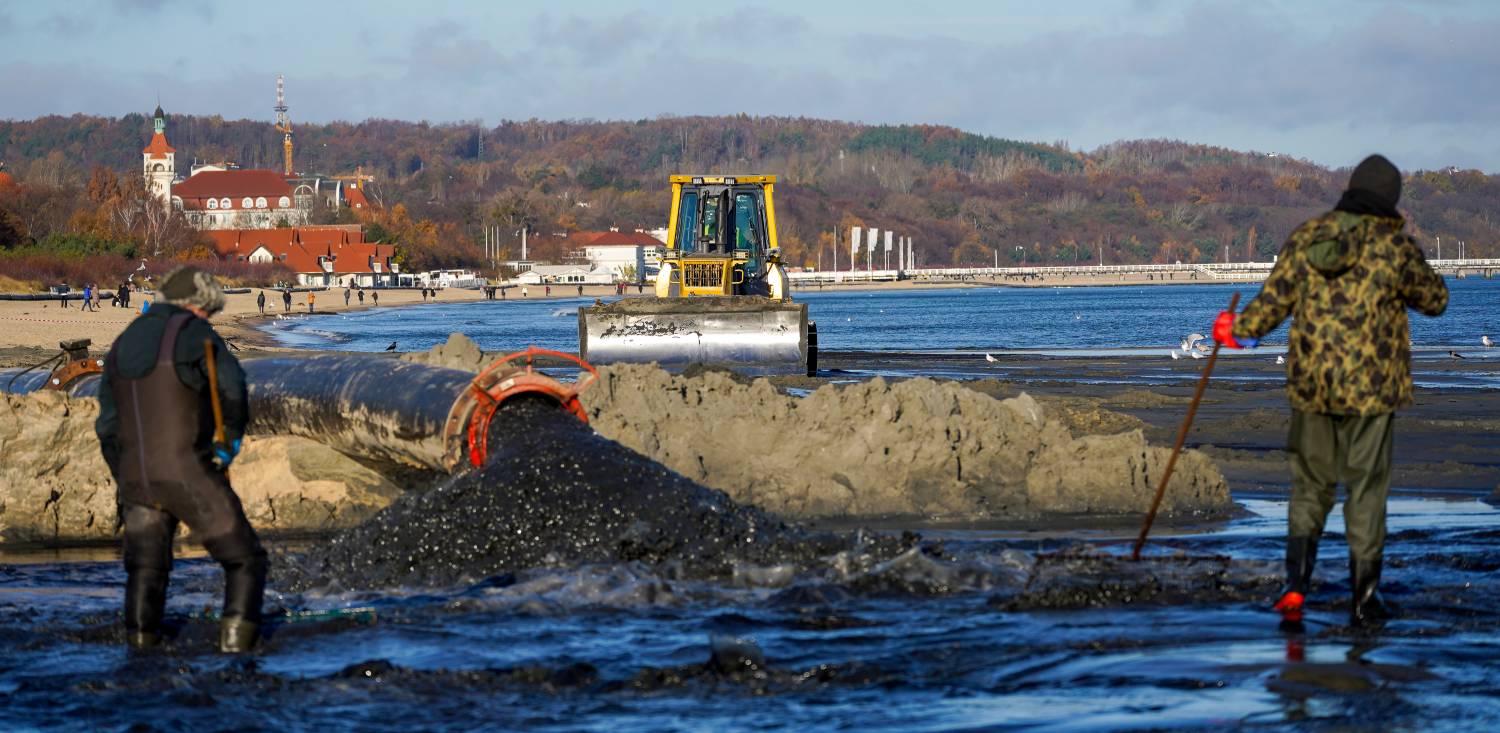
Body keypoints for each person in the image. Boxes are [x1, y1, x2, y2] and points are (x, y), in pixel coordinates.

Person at [1212, 154, 1448, 630]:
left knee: (1310, 488)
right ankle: (1364, 600)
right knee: (1365, 491)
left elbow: (1272, 305)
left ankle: (1296, 586)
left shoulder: (1307, 236)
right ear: (1389, 199)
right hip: (1373, 391)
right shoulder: (1394, 246)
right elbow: (1436, 300)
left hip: (1313, 385)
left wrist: (1236, 331)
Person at [94, 266, 266, 652]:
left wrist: (124, 477)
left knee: (146, 568)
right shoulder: (194, 332)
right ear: (196, 304)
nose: (209, 320)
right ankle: (236, 657)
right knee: (245, 560)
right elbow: (233, 390)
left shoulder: (124, 341)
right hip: (187, 470)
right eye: (209, 312)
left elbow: (106, 425)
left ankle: (140, 649)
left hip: (135, 477)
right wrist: (229, 444)